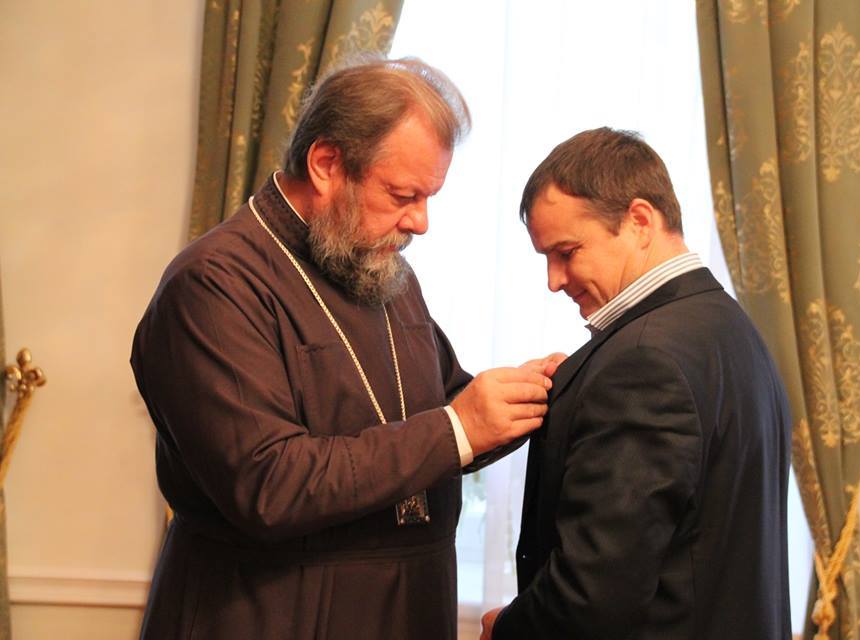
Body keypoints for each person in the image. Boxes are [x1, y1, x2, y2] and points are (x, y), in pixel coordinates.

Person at [131, 57, 558, 640]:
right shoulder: (213, 284)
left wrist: (547, 390)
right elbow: (268, 485)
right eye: (403, 194)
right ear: (327, 164)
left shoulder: (381, 270)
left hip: (407, 607)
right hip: (269, 614)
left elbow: (446, 409)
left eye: (428, 197)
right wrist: (459, 427)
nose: (421, 222)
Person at [482, 128, 792, 639]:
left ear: (640, 221)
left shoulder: (643, 363)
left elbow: (593, 593)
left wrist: (506, 630)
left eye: (567, 252)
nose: (553, 280)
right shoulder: (730, 326)